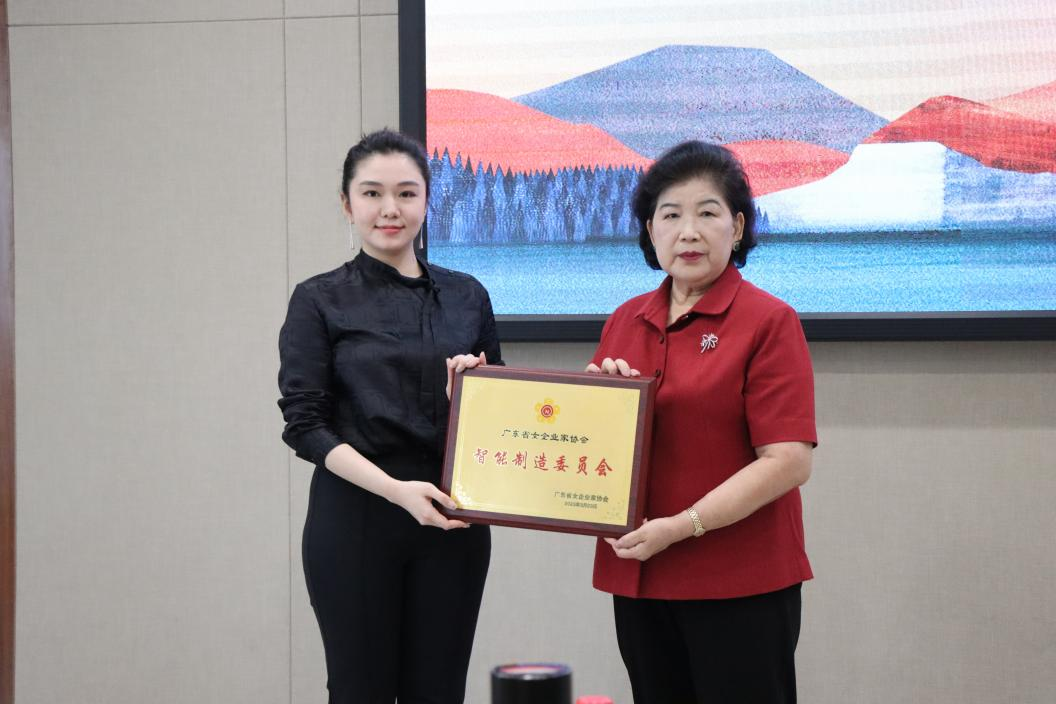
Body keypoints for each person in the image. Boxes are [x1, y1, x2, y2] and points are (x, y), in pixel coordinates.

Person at [585, 141, 816, 704]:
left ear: (736, 227)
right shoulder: (625, 320)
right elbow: (597, 450)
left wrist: (682, 525)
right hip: (641, 577)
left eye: (707, 213)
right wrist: (594, 408)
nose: (688, 232)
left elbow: (788, 461)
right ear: (650, 230)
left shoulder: (769, 321)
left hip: (739, 582)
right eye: (670, 215)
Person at [277, 129, 501, 704]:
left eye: (406, 193)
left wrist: (466, 396)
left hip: (452, 519)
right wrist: (396, 491)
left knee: (440, 691)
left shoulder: (468, 296)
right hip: (355, 518)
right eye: (372, 193)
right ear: (347, 203)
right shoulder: (318, 298)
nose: (390, 209)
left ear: (427, 200)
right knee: (360, 690)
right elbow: (304, 424)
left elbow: (499, 417)